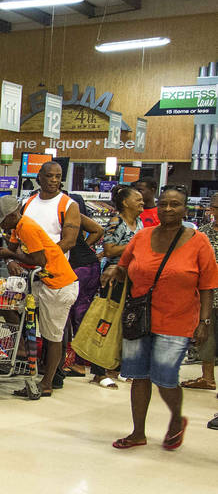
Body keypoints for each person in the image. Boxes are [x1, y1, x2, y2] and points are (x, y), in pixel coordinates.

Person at [101, 186, 218, 450]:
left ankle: (176, 420)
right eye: (164, 204)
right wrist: (113, 271)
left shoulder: (199, 241)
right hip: (138, 317)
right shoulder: (141, 237)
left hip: (177, 320)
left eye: (174, 204)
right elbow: (124, 266)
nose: (168, 209)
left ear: (184, 208)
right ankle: (138, 432)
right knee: (139, 376)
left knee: (165, 377)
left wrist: (204, 321)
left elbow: (208, 286)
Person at [0, 194, 79, 399]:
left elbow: (39, 259)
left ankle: (47, 382)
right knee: (4, 306)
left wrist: (11, 256)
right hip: (41, 283)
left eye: (3, 220)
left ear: (13, 215)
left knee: (53, 336)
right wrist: (8, 259)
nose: (2, 225)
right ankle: (23, 352)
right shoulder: (17, 228)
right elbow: (13, 250)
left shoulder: (28, 227)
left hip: (58, 284)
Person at [87, 186, 145, 389]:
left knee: (126, 323)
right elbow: (109, 250)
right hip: (114, 277)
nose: (142, 202)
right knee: (106, 321)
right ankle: (98, 371)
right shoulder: (116, 221)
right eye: (137, 199)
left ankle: (117, 367)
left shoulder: (138, 222)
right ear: (125, 202)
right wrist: (137, 245)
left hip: (132, 278)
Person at [61, 191, 105, 379]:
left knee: (76, 316)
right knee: (80, 316)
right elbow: (98, 230)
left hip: (79, 269)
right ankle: (81, 361)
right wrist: (85, 246)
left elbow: (98, 230)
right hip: (89, 265)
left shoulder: (65, 211)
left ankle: (80, 363)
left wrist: (79, 249)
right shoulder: (72, 212)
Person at [183, 193, 218, 396]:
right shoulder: (202, 234)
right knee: (207, 335)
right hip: (207, 295)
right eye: (214, 207)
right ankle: (207, 377)